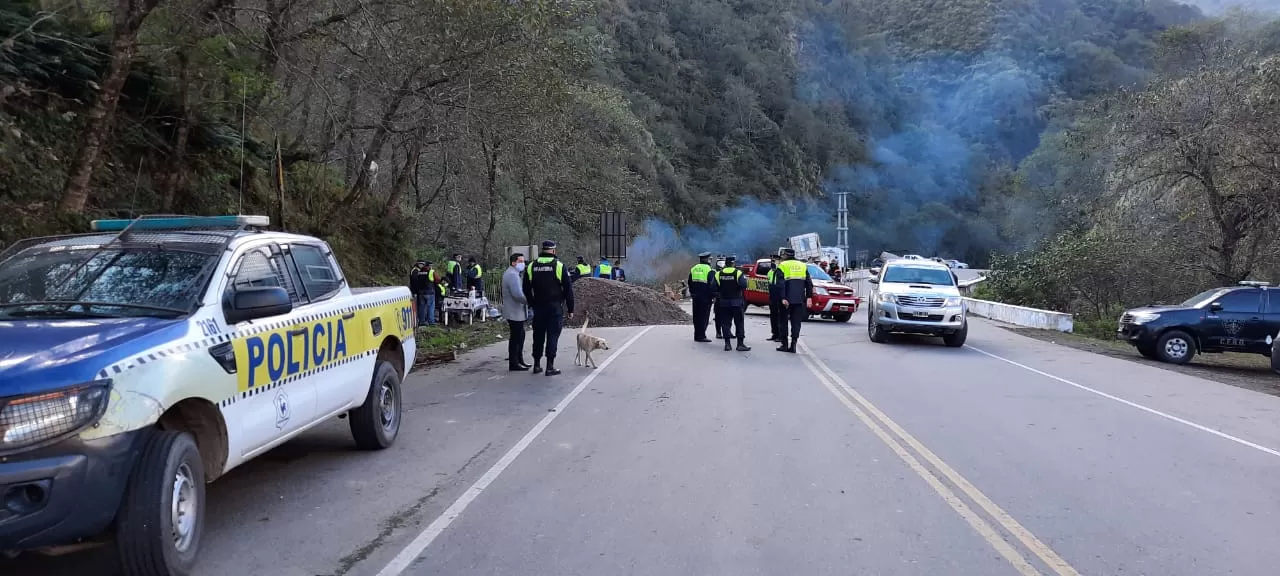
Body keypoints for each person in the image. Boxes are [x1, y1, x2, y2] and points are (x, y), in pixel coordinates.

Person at [523, 240, 575, 376]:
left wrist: (532, 303)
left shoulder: (531, 266)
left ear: (542, 250)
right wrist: (570, 309)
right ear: (553, 251)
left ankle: (536, 365)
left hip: (538, 307)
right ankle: (550, 367)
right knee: (552, 336)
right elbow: (568, 290)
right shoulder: (559, 265)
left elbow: (526, 288)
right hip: (554, 308)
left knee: (538, 336)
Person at [776, 248, 813, 353]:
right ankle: (793, 345)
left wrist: (783, 297)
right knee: (796, 323)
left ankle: (784, 344)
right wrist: (809, 297)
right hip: (799, 299)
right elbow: (808, 283)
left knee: (783, 322)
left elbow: (781, 284)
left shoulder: (782, 266)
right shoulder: (802, 265)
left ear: (785, 256)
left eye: (782, 255)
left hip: (786, 300)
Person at [712, 255, 750, 352]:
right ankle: (740, 344)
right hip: (737, 302)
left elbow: (713, 288)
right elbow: (744, 285)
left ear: (726, 264)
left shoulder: (718, 274)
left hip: (724, 302)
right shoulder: (738, 273)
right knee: (739, 323)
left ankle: (727, 344)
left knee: (725, 323)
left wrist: (720, 292)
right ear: (733, 263)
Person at [502, 253, 531, 371]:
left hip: (517, 311)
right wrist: (530, 301)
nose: (523, 264)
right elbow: (517, 295)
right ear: (513, 262)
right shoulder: (512, 275)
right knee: (516, 338)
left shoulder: (514, 273)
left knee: (520, 336)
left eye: (523, 261)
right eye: (520, 261)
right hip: (514, 312)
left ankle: (519, 360)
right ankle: (514, 363)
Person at [688, 252, 715, 342]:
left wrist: (692, 293)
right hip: (705, 298)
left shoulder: (694, 268)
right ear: (707, 260)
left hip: (695, 297)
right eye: (710, 259)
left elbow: (690, 283)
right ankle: (702, 336)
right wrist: (713, 296)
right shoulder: (709, 270)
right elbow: (712, 285)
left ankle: (697, 335)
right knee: (704, 317)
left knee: (696, 316)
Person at [766, 254, 784, 342]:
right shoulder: (770, 272)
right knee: (773, 316)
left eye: (774, 261)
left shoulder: (781, 271)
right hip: (772, 296)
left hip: (780, 296)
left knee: (780, 316)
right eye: (772, 261)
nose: (772, 263)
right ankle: (774, 334)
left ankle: (780, 335)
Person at [409, 260, 431, 326]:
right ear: (417, 264)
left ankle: (419, 319)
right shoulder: (415, 270)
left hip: (418, 291)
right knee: (417, 305)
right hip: (415, 291)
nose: (421, 265)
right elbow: (415, 281)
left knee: (419, 305)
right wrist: (417, 289)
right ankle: (417, 319)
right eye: (420, 264)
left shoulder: (418, 270)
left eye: (422, 264)